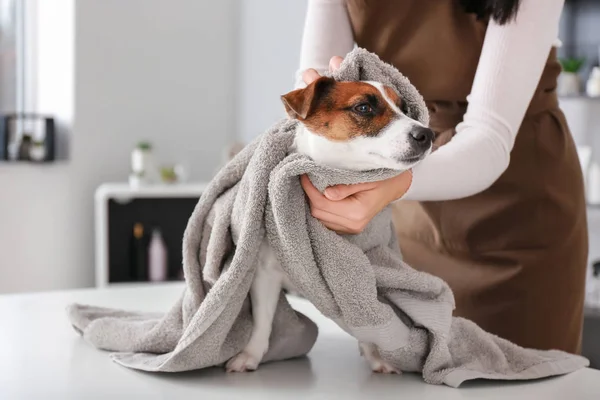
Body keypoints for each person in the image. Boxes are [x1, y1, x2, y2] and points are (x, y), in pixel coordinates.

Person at [297, 0, 587, 354]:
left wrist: (391, 185)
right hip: (404, 205)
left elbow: (490, 136)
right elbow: (315, 88)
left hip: (518, 213)